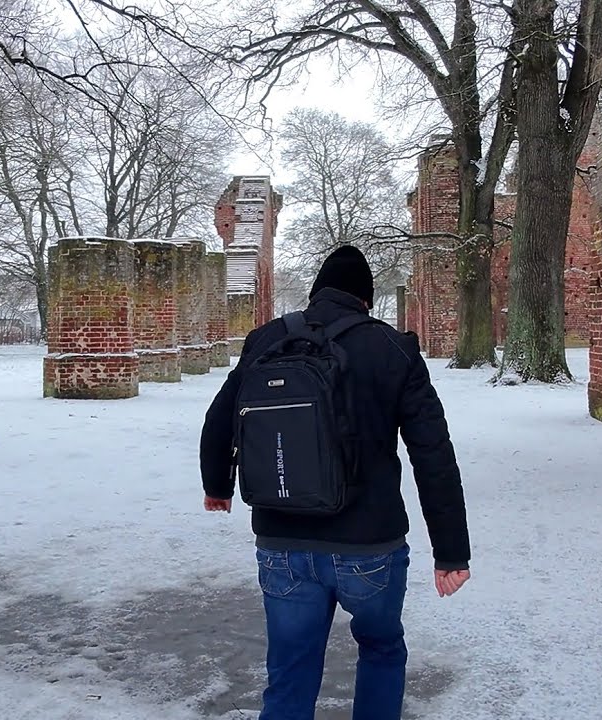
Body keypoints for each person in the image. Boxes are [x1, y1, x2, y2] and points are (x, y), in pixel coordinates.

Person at [199, 245, 472, 720]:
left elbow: (219, 419)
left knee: (290, 668)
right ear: (365, 300)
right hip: (370, 544)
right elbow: (433, 455)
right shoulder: (392, 348)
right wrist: (451, 552)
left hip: (283, 537)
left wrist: (218, 485)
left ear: (316, 294)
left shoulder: (267, 340)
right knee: (381, 649)